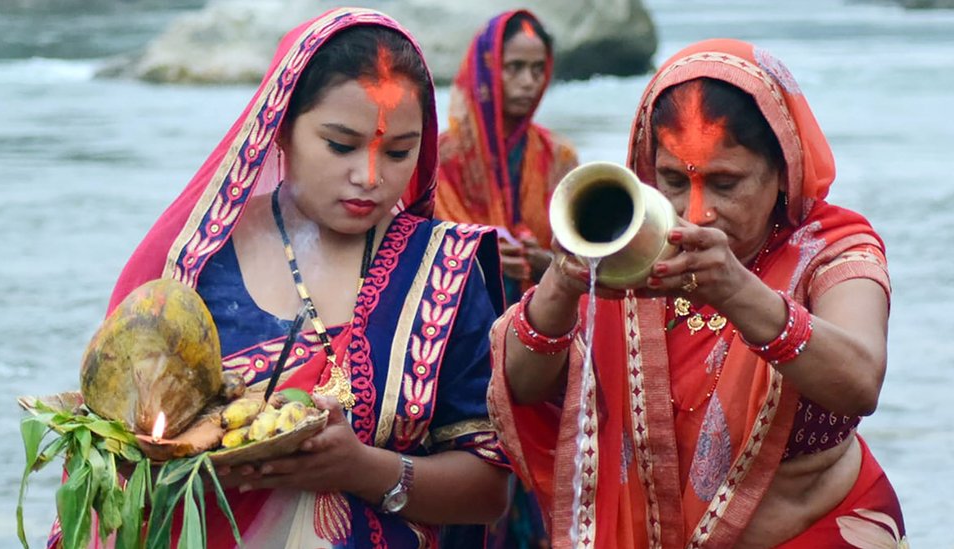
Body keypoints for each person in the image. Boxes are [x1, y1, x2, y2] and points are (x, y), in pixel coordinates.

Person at [47, 8, 511, 548]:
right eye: (341, 145)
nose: (369, 176)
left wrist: (361, 469)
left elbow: (488, 491)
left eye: (398, 151)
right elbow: (116, 451)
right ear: (282, 127)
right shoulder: (195, 262)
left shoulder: (442, 272)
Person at [487, 39, 907, 548]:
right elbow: (522, 389)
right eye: (672, 179)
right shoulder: (630, 246)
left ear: (784, 171)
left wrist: (735, 289)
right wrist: (563, 279)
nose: (696, 212)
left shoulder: (831, 249)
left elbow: (861, 381)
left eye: (725, 183)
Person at [435, 9, 578, 306]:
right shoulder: (440, 159)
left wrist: (547, 262)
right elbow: (415, 250)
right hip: (457, 320)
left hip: (541, 317)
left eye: (538, 69)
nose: (528, 81)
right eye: (514, 67)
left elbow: (582, 255)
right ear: (486, 69)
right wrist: (478, 255)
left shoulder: (558, 157)